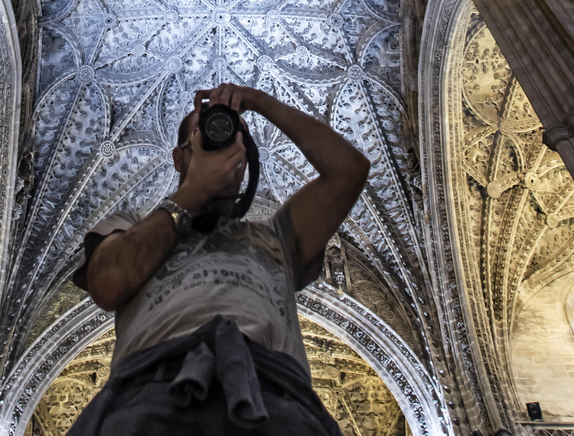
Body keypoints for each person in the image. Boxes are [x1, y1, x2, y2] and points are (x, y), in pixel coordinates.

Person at [70, 82, 370, 435]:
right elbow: (108, 284)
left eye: (233, 135)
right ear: (180, 157)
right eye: (204, 132)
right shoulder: (133, 225)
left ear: (247, 157)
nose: (219, 137)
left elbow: (349, 171)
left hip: (273, 394)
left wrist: (261, 102)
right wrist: (192, 194)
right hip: (150, 389)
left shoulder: (277, 237)